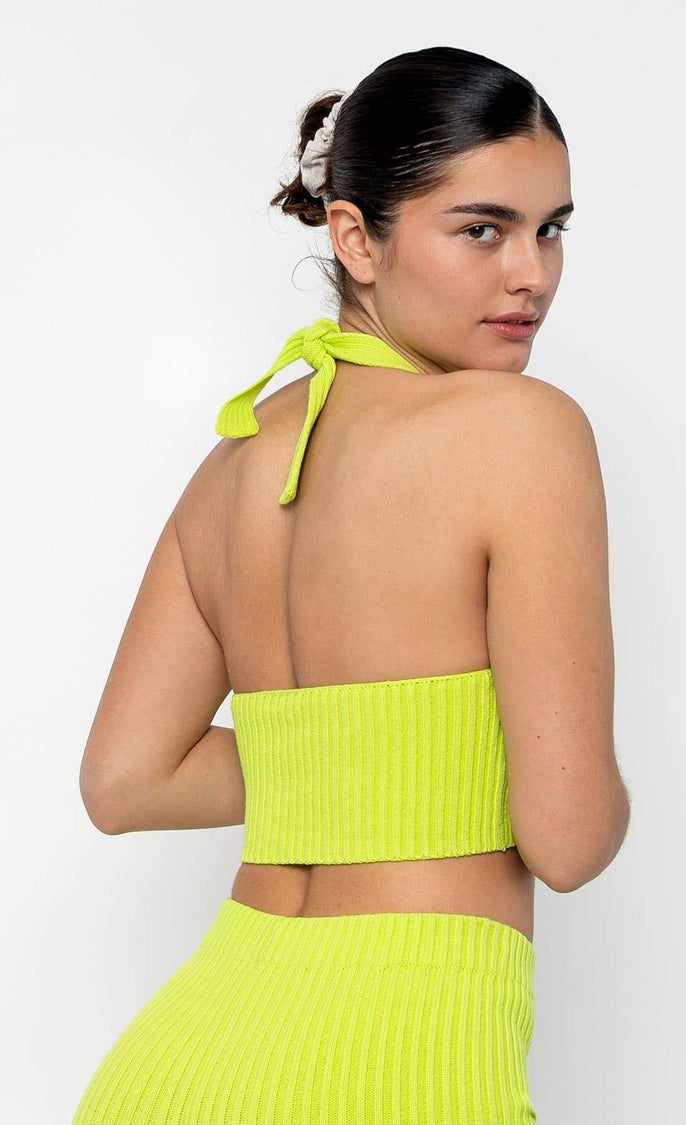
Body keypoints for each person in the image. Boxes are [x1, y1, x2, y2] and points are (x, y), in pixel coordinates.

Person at [71, 44, 631, 1125]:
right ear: (355, 238)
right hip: (398, 1054)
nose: (532, 273)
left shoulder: (238, 457)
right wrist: (547, 767)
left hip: (179, 1061)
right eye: (483, 229)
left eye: (551, 228)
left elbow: (128, 780)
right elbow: (567, 838)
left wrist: (359, 760)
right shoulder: (523, 430)